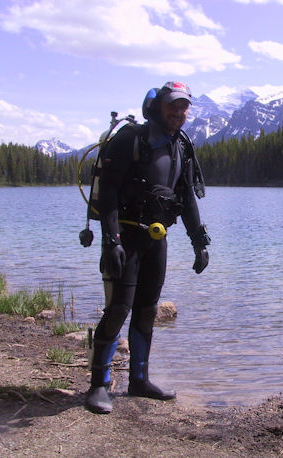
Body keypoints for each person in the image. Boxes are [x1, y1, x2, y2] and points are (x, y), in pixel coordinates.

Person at [85, 81, 210, 414]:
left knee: (146, 311)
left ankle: (139, 380)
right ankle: (99, 385)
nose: (179, 112)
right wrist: (111, 240)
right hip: (125, 236)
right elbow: (109, 194)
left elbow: (185, 200)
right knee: (118, 309)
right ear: (156, 106)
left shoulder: (181, 146)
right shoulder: (131, 139)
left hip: (157, 239)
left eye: (184, 107)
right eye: (173, 105)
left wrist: (200, 242)